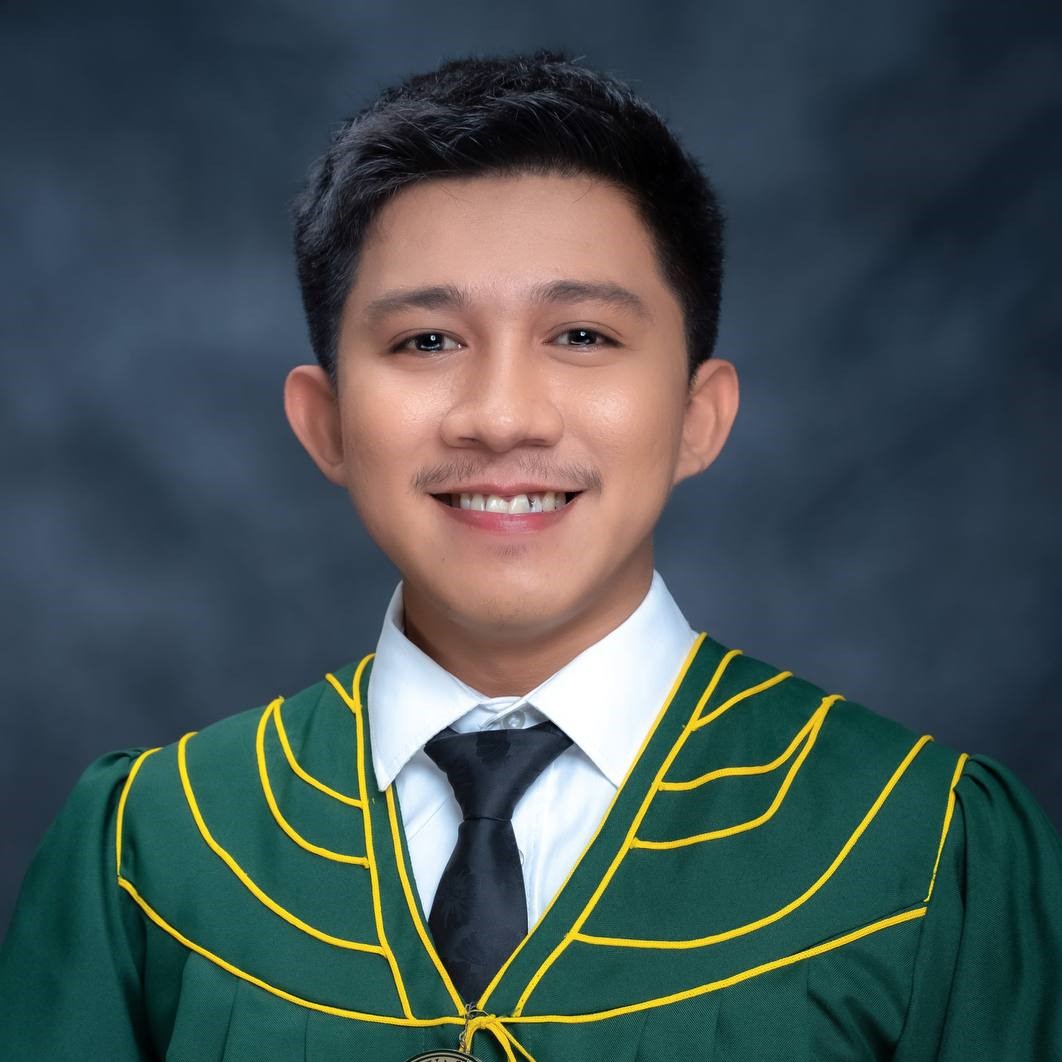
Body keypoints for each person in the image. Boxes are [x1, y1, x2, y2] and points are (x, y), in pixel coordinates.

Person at [1, 49, 1059, 1062]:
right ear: (325, 423)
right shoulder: (156, 849)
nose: (502, 416)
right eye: (426, 341)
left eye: (582, 336)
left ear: (699, 415)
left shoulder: (920, 846)